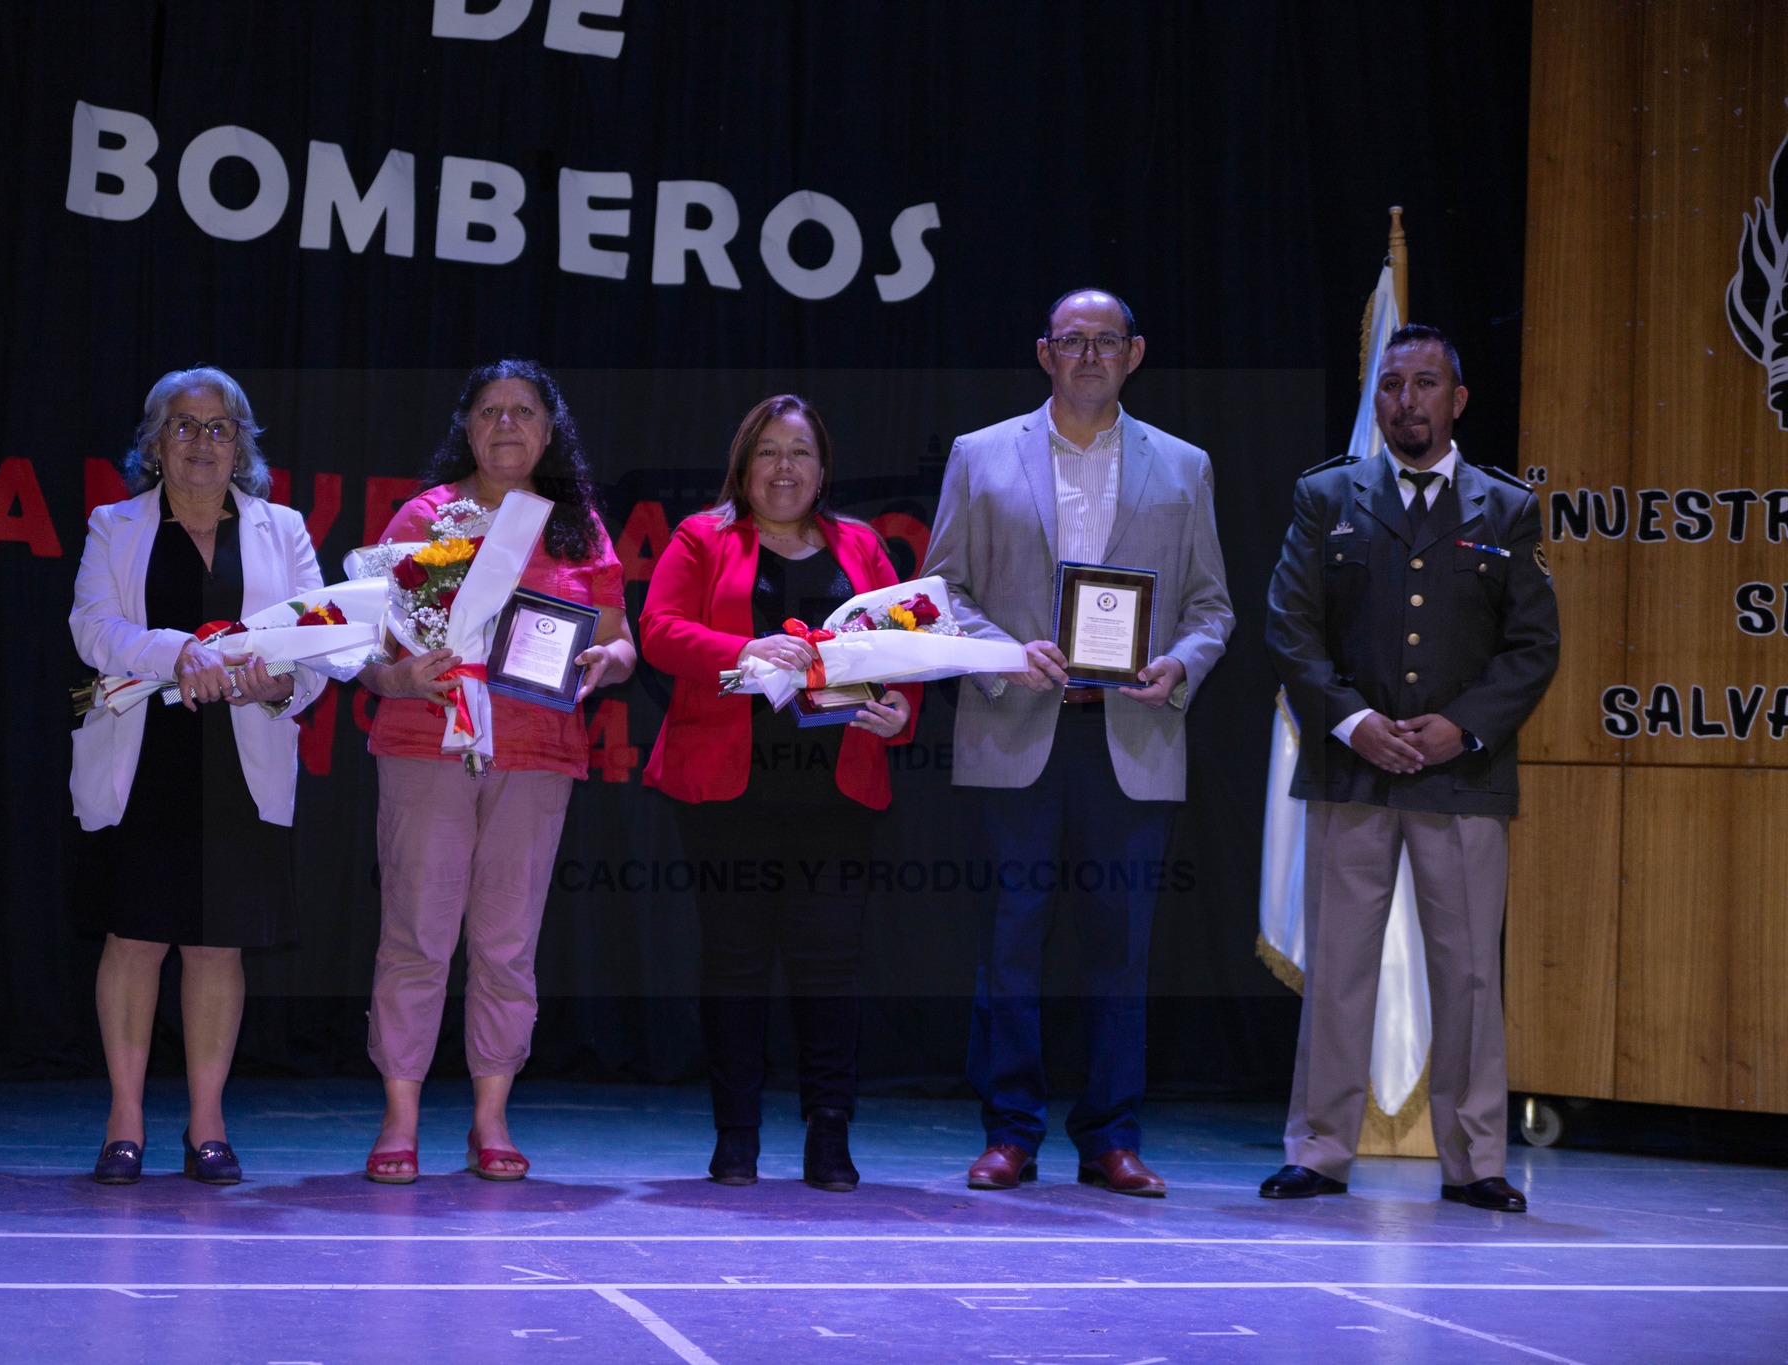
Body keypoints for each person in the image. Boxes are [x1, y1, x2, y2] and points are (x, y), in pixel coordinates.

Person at [924, 288, 1234, 1196]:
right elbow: (942, 590)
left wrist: (1178, 665)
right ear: (1044, 352)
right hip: (1014, 727)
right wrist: (1001, 655)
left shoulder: (1185, 466)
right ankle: (1011, 1131)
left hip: (1130, 737)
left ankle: (1111, 1136)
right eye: (1073, 341)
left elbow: (1211, 607)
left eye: (1107, 341)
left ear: (1135, 354)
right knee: (1009, 946)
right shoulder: (980, 455)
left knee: (1121, 949)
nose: (1090, 355)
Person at [1262, 324, 1559, 1212]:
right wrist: (1353, 721)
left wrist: (1460, 729)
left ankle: (1475, 1161)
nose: (1406, 400)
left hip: (1460, 777)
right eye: (1392, 384)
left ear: (1457, 400)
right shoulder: (1327, 495)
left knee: (1468, 974)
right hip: (1353, 771)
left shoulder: (1503, 507)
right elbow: (1291, 627)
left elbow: (1534, 645)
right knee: (1342, 969)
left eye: (1425, 383)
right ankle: (1319, 1150)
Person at [358, 359, 635, 1185]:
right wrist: (398, 677)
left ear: (549, 431)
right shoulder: (424, 515)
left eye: (523, 411)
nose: (506, 424)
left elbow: (622, 641)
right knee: (416, 934)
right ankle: (400, 1117)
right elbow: (368, 649)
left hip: (537, 750)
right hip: (425, 741)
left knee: (508, 945)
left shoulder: (577, 523)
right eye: (489, 411)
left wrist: (604, 663)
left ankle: (491, 1116)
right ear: (467, 427)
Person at [641, 395, 917, 1192]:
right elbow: (657, 629)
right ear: (743, 464)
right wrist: (743, 647)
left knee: (830, 969)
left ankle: (829, 1135)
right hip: (727, 790)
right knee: (733, 965)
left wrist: (899, 713)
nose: (784, 467)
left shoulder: (863, 546)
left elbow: (905, 645)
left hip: (836, 791)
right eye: (768, 452)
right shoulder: (703, 537)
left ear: (823, 468)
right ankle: (736, 1137)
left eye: (799, 452)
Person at [70, 366, 327, 1186]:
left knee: (218, 947)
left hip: (241, 759)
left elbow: (321, 636)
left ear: (242, 443)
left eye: (219, 428)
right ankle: (126, 1120)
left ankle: (208, 1123)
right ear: (154, 440)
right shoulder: (115, 525)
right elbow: (93, 626)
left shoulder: (282, 528)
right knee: (135, 937)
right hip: (145, 757)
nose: (202, 442)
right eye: (184, 425)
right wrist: (177, 650)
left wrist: (282, 682)